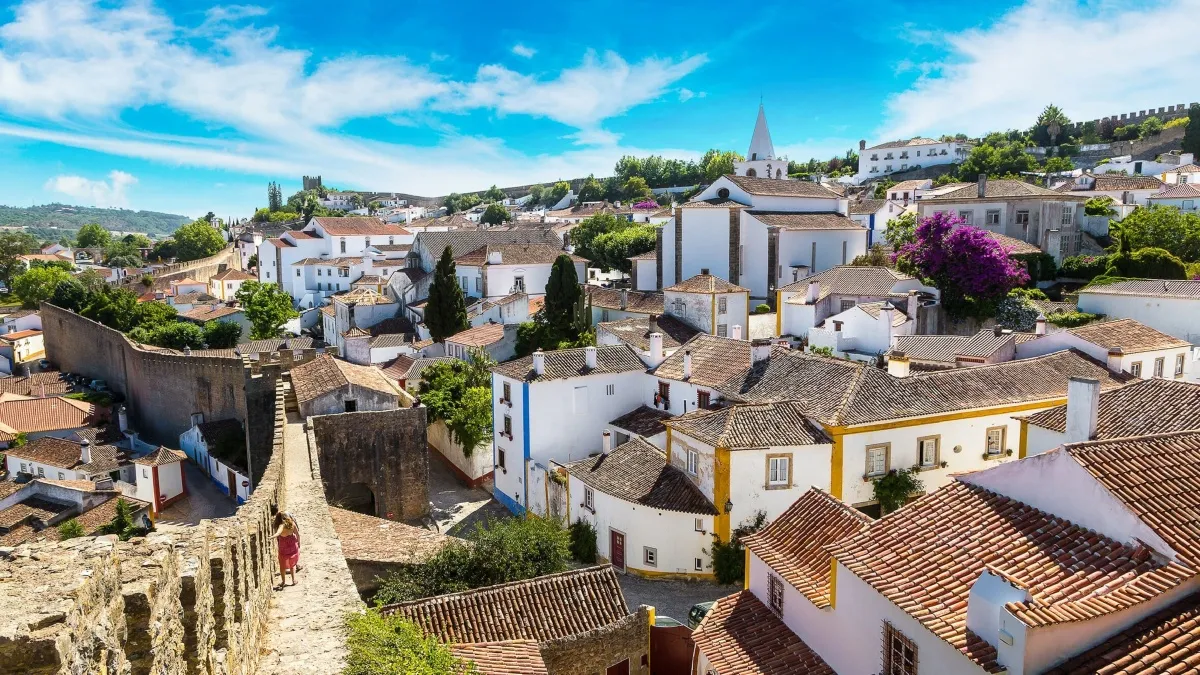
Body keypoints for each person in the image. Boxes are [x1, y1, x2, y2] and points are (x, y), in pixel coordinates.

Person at [274, 511, 300, 589]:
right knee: (292, 564)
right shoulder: (292, 524)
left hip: (283, 548)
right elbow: (298, 535)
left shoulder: (279, 526)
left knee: (282, 565)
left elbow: (278, 534)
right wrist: (299, 543)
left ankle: (283, 581)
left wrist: (272, 537)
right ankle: (293, 580)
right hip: (292, 546)